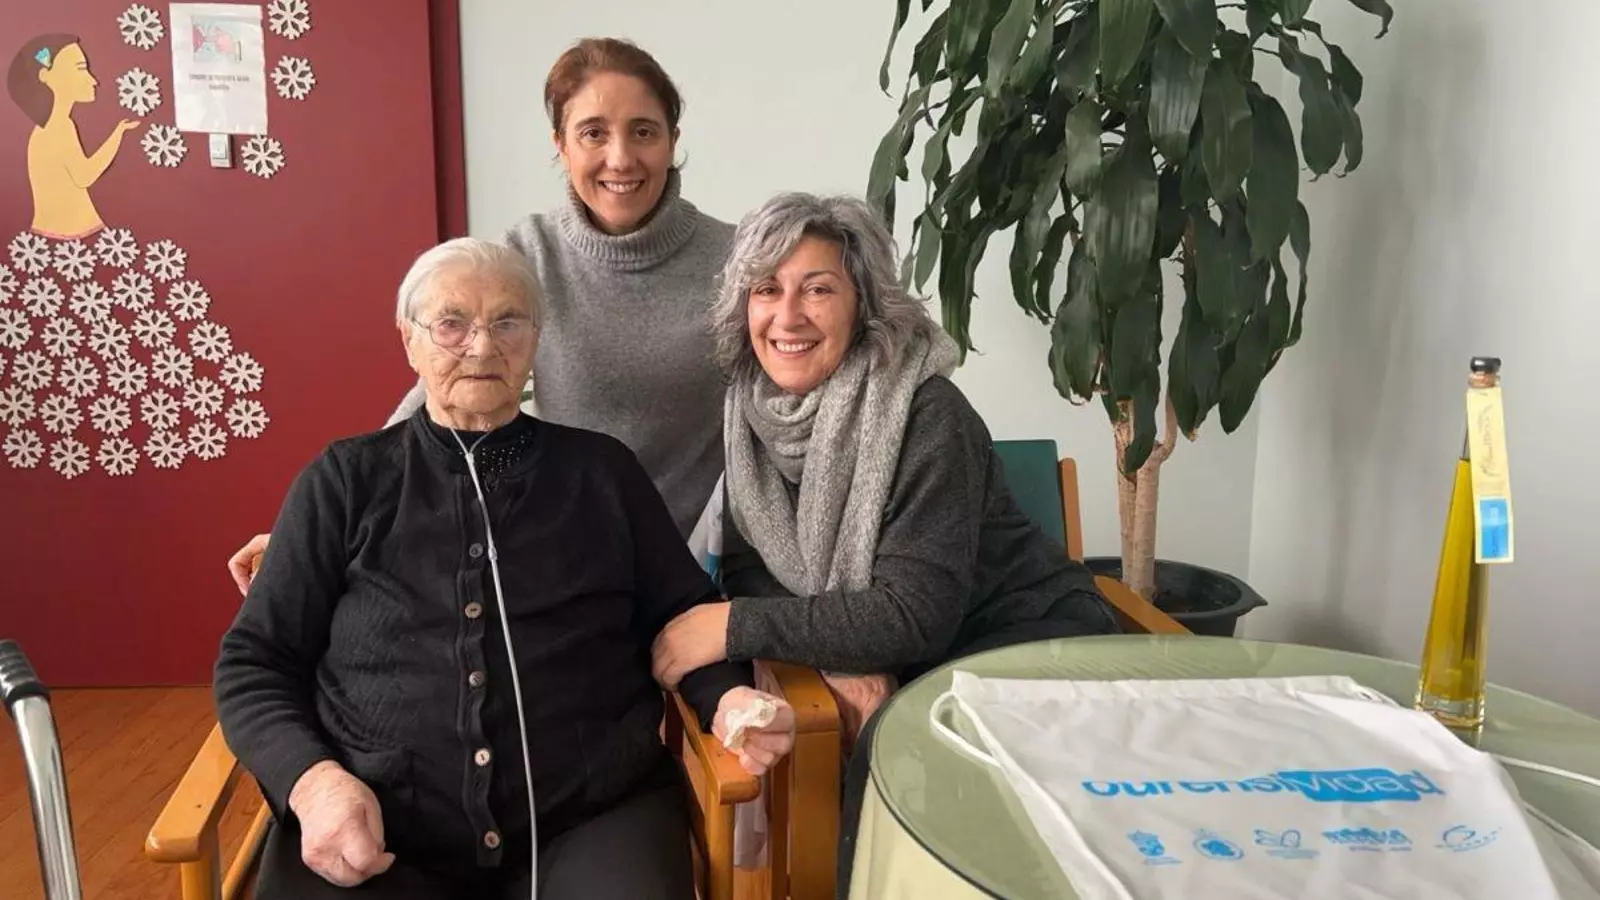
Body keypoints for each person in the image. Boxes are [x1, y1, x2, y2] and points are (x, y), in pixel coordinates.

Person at [215, 237, 794, 900]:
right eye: (451, 324)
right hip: (377, 821)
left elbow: (683, 614)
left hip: (591, 816)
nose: (482, 347)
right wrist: (313, 783)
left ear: (536, 340)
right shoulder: (344, 481)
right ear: (409, 341)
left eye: (508, 323)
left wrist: (728, 701)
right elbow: (255, 661)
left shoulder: (603, 472)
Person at [645, 192, 1120, 890]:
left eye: (818, 289)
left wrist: (731, 627)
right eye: (766, 289)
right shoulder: (752, 410)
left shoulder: (926, 413)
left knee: (903, 748)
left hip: (1026, 641)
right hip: (920, 648)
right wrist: (840, 654)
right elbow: (753, 564)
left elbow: (911, 616)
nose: (787, 316)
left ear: (864, 304)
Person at [225, 37, 733, 589]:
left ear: (672, 140)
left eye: (643, 131)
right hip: (568, 555)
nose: (620, 158)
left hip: (698, 558)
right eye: (593, 133)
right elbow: (443, 385)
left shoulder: (737, 260)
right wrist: (310, 535)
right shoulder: (527, 253)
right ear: (561, 145)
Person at [7, 34, 141, 237]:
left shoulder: (52, 126)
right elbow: (84, 176)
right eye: (80, 69)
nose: (93, 80)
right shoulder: (58, 127)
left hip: (64, 232)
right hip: (68, 233)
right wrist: (118, 134)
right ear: (46, 76)